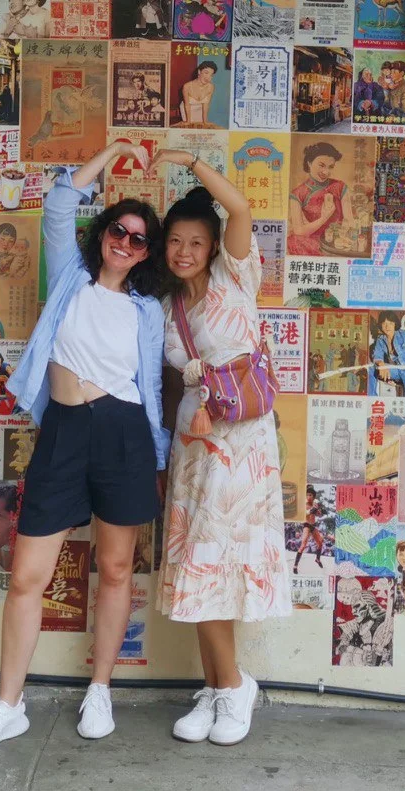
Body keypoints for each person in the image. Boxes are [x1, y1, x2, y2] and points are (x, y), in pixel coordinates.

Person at [0, 141, 169, 755]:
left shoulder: (147, 309)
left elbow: (151, 386)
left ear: (146, 253)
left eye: (138, 240)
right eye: (119, 231)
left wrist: (154, 457)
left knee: (117, 569)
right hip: (65, 432)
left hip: (126, 431)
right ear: (103, 232)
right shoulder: (72, 277)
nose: (125, 244)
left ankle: (99, 689)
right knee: (27, 575)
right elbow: (57, 204)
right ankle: (7, 705)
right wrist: (114, 152)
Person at [151, 146, 289, 747]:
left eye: (195, 242)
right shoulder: (165, 306)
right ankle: (216, 687)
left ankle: (234, 689)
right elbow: (172, 380)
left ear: (213, 247)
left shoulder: (237, 273)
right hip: (194, 439)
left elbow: (239, 207)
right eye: (175, 241)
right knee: (198, 563)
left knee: (215, 561)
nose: (184, 252)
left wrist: (193, 164)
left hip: (244, 442)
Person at [287, 142, 353, 256]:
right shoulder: (297, 193)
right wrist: (324, 218)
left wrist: (340, 238)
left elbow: (349, 220)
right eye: (321, 165)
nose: (326, 172)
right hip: (313, 241)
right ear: (309, 163)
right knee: (293, 241)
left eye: (330, 167)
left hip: (339, 239)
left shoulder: (340, 186)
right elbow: (299, 231)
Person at [368, 312, 405, 398]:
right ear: (380, 325)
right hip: (396, 369)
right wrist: (381, 364)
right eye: (384, 323)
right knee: (370, 368)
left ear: (395, 324)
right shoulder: (381, 340)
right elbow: (377, 355)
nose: (387, 326)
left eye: (390, 323)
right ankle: (372, 398)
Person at [294, 485, 328, 574]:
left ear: (313, 496)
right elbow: (303, 514)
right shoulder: (304, 504)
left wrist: (321, 512)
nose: (308, 497)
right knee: (303, 545)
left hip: (313, 526)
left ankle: (317, 559)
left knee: (320, 542)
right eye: (307, 495)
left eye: (310, 495)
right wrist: (310, 511)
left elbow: (318, 514)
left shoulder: (315, 504)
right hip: (306, 525)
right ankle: (295, 565)